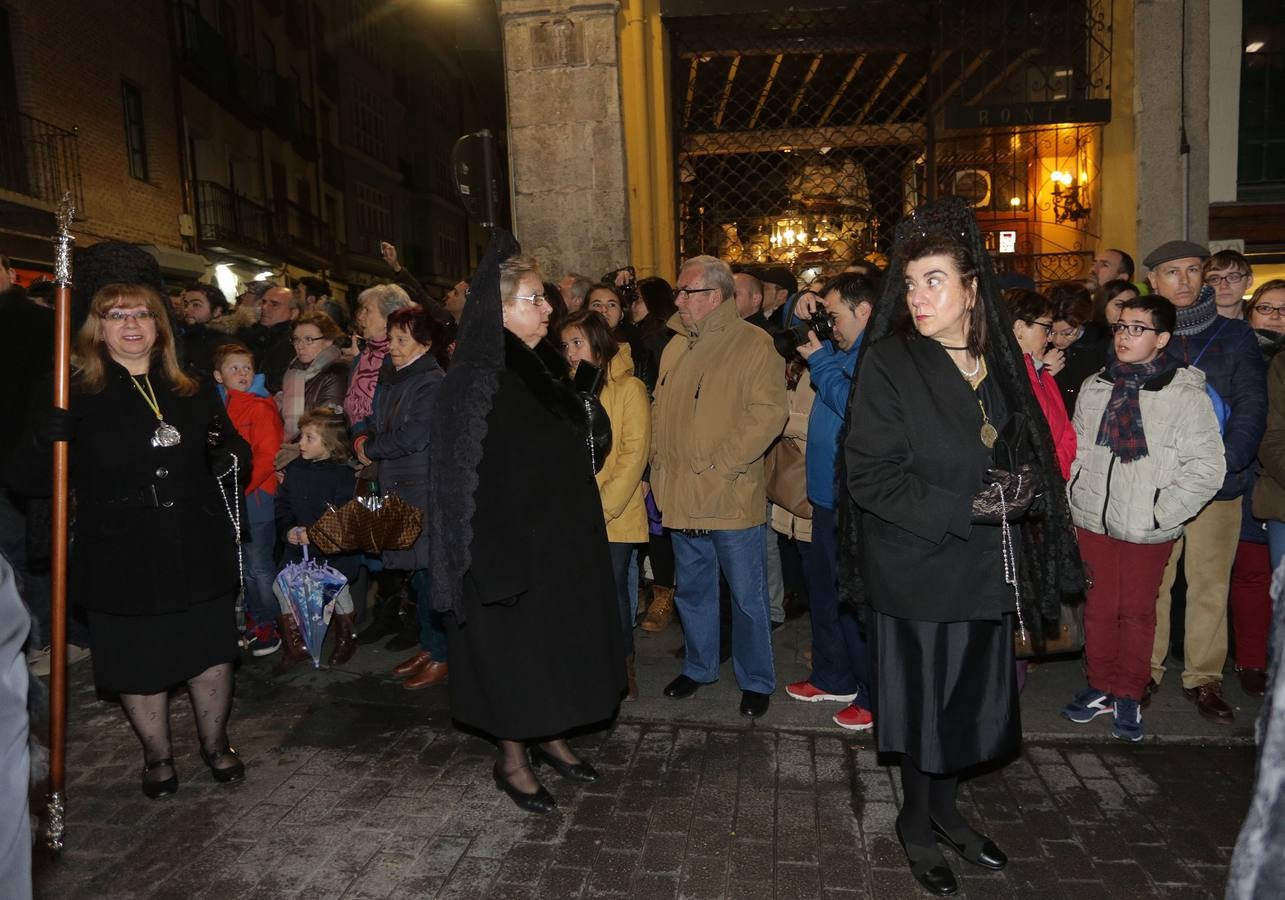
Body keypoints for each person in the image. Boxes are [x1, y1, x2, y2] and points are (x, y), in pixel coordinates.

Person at [840, 199, 1083, 896]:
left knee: (966, 705)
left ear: (970, 289)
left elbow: (1023, 441)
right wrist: (971, 505)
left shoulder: (995, 360)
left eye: (935, 281)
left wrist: (1027, 484)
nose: (919, 297)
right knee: (923, 711)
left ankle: (946, 813)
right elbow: (869, 477)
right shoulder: (890, 362)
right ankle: (915, 826)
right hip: (917, 566)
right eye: (912, 283)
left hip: (980, 570)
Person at [10, 283, 251, 798]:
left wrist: (232, 450)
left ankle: (216, 744)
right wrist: (43, 437)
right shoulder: (68, 388)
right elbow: (28, 480)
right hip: (120, 547)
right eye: (116, 315)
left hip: (194, 540)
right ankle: (157, 756)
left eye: (142, 314)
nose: (132, 324)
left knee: (208, 649)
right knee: (138, 658)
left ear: (160, 324)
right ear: (97, 327)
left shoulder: (190, 385)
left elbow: (221, 447)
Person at [428, 241, 623, 815]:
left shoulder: (536, 368)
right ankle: (512, 760)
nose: (547, 310)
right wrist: (488, 562)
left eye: (544, 298)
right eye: (534, 299)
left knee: (549, 652)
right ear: (499, 310)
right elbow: (458, 484)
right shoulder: (474, 380)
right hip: (502, 554)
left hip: (553, 548)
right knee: (512, 660)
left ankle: (552, 738)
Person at [1062, 295, 1225, 741]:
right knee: (1098, 608)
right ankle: (1099, 687)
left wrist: (1160, 512)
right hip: (1093, 519)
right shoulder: (1097, 385)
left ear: (1163, 338)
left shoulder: (1184, 394)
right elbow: (1075, 451)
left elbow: (1208, 468)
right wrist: (1074, 495)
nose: (1125, 336)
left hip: (1146, 526)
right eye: (1121, 327)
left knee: (1135, 612)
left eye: (1138, 329)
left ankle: (1129, 693)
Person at [652, 254, 788, 719]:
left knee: (747, 596)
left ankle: (756, 679)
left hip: (727, 495)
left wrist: (722, 465)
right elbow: (661, 412)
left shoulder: (753, 344)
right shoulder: (675, 346)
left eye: (685, 291)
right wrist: (658, 468)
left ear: (712, 296)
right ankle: (699, 666)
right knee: (692, 589)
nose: (678, 300)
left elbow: (769, 413)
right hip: (680, 493)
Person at [1143, 240, 1267, 725]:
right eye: (1172, 272)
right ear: (1153, 280)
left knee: (1210, 584)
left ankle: (1203, 677)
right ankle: (1146, 669)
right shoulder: (1145, 331)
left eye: (1194, 270)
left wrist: (1224, 465)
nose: (1185, 281)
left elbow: (1252, 406)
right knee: (1155, 582)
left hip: (1219, 483)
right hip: (1158, 484)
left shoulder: (1235, 336)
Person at [785, 273, 876, 732]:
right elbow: (790, 326)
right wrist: (801, 303)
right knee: (825, 595)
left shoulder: (875, 356)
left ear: (865, 311)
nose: (831, 326)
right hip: (824, 496)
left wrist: (819, 362)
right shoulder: (841, 350)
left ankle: (871, 692)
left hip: (853, 500)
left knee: (854, 600)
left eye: (836, 315)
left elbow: (854, 404)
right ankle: (832, 676)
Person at [354, 306, 449, 690]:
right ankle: (429, 644)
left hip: (420, 488)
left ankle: (443, 653)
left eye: (400, 340)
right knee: (414, 574)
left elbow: (414, 436)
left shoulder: (432, 381)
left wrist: (371, 448)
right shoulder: (393, 375)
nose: (390, 346)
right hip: (395, 485)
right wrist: (363, 437)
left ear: (424, 344)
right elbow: (374, 420)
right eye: (391, 338)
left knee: (429, 574)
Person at [561, 309, 650, 701]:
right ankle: (585, 663)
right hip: (572, 509)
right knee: (578, 592)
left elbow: (634, 455)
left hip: (613, 511)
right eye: (565, 345)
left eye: (577, 343)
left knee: (612, 590)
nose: (570, 353)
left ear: (598, 342)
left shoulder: (628, 388)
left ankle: (623, 667)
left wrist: (601, 506)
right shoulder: (566, 389)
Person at [344, 283, 415, 646]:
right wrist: (357, 436)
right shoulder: (364, 356)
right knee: (378, 538)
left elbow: (395, 410)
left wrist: (368, 441)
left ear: (389, 316)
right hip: (364, 453)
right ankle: (387, 613)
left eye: (366, 311)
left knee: (401, 538)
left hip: (391, 458)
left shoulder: (402, 354)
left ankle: (410, 619)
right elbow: (355, 402)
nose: (361, 317)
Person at [211, 342, 285, 657]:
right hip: (228, 499)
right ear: (218, 375)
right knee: (241, 565)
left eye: (247, 368)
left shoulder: (259, 406)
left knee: (258, 566)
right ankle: (253, 619)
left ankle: (271, 624)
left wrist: (239, 489)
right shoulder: (217, 408)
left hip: (254, 497)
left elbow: (268, 456)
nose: (242, 374)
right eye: (234, 368)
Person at [274, 407, 361, 670]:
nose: (300, 443)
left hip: (333, 552)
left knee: (337, 591)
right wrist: (288, 530)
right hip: (297, 548)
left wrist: (315, 534)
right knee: (281, 587)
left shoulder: (342, 476)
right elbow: (283, 505)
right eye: (302, 436)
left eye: (309, 438)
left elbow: (343, 517)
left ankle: (346, 637)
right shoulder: (295, 469)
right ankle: (296, 643)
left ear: (330, 444)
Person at [1234, 279, 1285, 698]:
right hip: (1253, 478)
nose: (1275, 317)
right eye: (1267, 308)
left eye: (1283, 310)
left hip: (1273, 478)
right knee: (1252, 576)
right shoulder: (1241, 353)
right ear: (1252, 313)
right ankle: (1251, 661)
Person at [1006, 289, 1076, 478]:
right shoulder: (1005, 376)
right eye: (1046, 328)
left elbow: (1065, 432)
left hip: (1052, 480)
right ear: (1019, 328)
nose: (1050, 337)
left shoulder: (1042, 371)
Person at [279, 312, 348, 443]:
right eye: (296, 339)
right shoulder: (294, 372)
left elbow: (325, 426)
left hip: (318, 450)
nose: (300, 346)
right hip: (295, 446)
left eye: (309, 339)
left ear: (328, 340)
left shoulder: (336, 373)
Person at [1050, 282, 1109, 416]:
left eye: (1068, 332)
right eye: (1051, 331)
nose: (1058, 340)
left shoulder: (1101, 343)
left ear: (1083, 320)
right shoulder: (1042, 345)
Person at [238, 285, 299, 392]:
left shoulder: (295, 343)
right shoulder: (248, 336)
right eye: (264, 302)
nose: (264, 307)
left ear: (293, 313)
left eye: (274, 304)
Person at [1203, 249, 1254, 320]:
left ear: (1249, 281)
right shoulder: (1190, 325)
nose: (1223, 286)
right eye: (1214, 279)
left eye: (1233, 277)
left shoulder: (1263, 320)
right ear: (1205, 285)